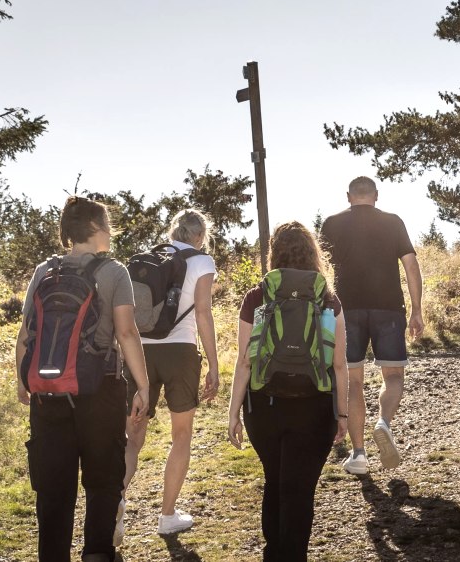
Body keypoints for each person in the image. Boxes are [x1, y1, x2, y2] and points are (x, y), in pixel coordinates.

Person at [17, 196, 151, 562]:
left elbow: (26, 333)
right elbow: (126, 333)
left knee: (53, 490)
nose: (111, 231)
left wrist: (23, 381)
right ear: (93, 229)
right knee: (103, 481)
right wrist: (143, 385)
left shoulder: (44, 271)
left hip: (49, 393)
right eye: (107, 224)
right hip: (100, 390)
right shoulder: (114, 272)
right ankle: (96, 553)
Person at [227, 221, 349, 562]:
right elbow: (338, 365)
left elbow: (245, 362)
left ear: (273, 254)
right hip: (315, 405)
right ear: (314, 254)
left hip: (264, 405)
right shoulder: (328, 299)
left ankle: (273, 554)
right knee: (300, 489)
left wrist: (233, 412)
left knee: (275, 479)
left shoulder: (257, 296)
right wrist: (342, 414)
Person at [123, 210, 220, 536]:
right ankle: (167, 517)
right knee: (181, 434)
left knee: (132, 435)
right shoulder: (202, 261)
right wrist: (214, 365)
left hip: (139, 351)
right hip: (180, 352)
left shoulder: (149, 256)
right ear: (199, 235)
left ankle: (115, 506)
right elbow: (203, 313)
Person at [319, 176, 424, 475]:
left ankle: (359, 454)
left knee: (352, 381)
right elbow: (411, 265)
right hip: (388, 307)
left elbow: (319, 269)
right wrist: (417, 310)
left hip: (344, 310)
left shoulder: (331, 224)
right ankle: (384, 423)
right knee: (393, 374)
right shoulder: (393, 222)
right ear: (376, 196)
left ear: (348, 196)